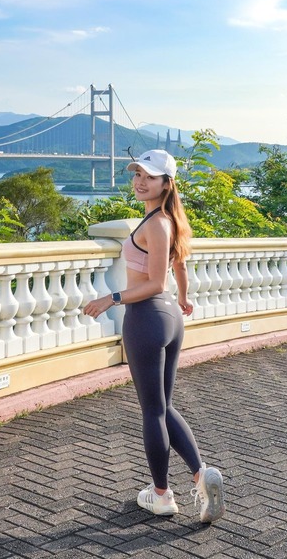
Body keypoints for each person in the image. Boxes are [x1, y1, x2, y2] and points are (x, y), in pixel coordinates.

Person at [83, 149, 225, 521]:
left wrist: (110, 298)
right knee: (164, 407)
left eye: (148, 176)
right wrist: (183, 297)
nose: (139, 181)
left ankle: (161, 494)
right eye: (136, 175)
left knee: (152, 411)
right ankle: (200, 475)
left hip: (146, 318)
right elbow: (177, 266)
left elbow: (153, 281)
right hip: (169, 318)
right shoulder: (169, 221)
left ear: (167, 183)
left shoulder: (156, 224)